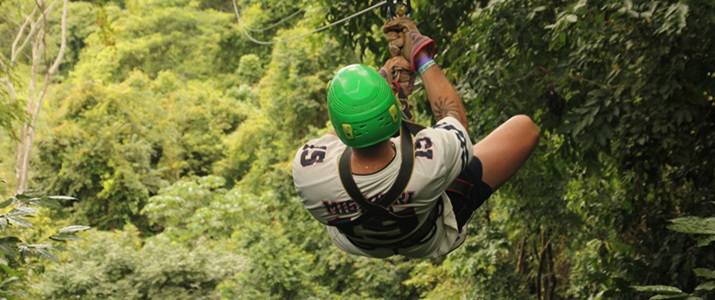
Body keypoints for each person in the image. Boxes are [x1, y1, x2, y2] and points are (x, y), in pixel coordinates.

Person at [291, 18, 540, 258]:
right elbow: (454, 118)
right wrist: (421, 57)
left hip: (359, 242)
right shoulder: (432, 160)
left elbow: (349, 127)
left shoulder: (307, 171)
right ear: (393, 113)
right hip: (430, 236)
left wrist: (384, 83)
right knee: (524, 128)